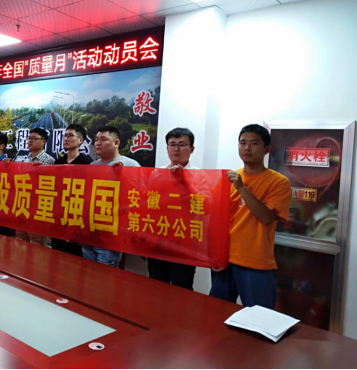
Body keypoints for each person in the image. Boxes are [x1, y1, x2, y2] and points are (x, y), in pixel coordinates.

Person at [210, 124, 291, 309]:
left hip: (256, 263)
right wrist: (213, 254)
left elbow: (267, 218)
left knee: (259, 319)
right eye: (242, 143)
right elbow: (215, 220)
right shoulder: (227, 178)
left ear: (267, 149)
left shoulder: (278, 182)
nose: (247, 148)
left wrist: (242, 188)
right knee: (216, 314)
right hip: (224, 260)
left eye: (254, 143)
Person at [148, 128, 198, 290]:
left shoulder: (200, 175)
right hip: (158, 239)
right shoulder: (158, 173)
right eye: (172, 144)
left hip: (185, 242)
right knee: (156, 286)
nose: (176, 149)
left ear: (191, 149)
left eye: (182, 144)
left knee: (181, 288)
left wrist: (185, 180)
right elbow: (146, 205)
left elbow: (206, 205)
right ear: (167, 148)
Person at [83, 126, 140, 267]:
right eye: (96, 139)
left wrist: (122, 175)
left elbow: (138, 197)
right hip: (89, 232)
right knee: (86, 274)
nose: (98, 143)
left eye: (103, 139)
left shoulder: (130, 165)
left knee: (103, 277)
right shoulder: (92, 166)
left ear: (116, 143)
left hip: (111, 235)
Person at [53, 124, 93, 257]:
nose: (66, 139)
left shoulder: (87, 163)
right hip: (59, 214)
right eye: (65, 135)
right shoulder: (58, 162)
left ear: (80, 140)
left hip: (77, 215)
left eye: (70, 136)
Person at [15, 128, 54, 245]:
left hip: (38, 209)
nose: (30, 141)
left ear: (43, 142)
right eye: (29, 138)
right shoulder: (25, 159)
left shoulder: (49, 161)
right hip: (23, 207)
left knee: (37, 245)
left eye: (34, 138)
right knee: (20, 242)